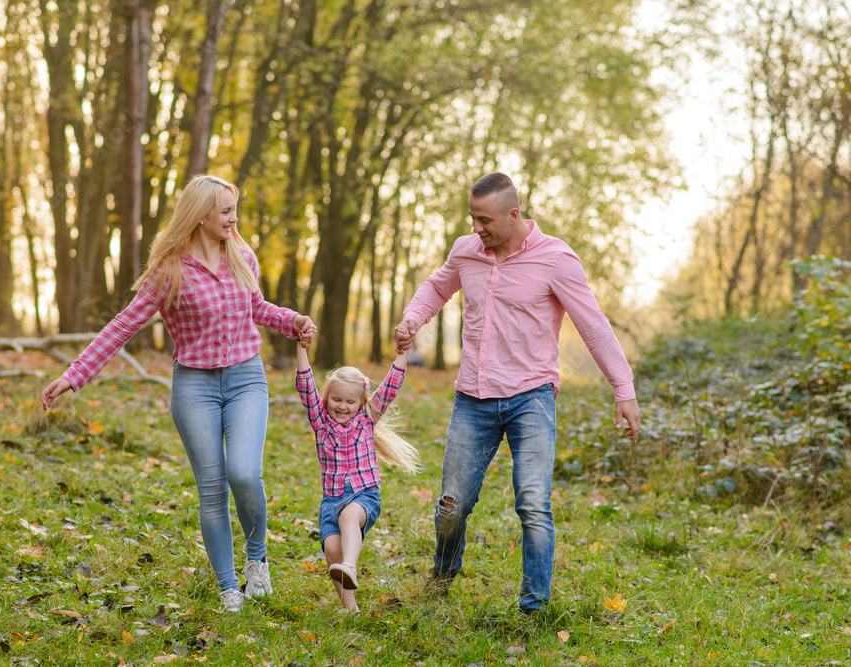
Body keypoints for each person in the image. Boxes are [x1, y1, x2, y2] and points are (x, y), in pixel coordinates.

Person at [41, 174, 316, 612]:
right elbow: (123, 325)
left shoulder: (242, 255)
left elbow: (257, 308)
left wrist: (293, 320)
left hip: (246, 377)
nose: (234, 218)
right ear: (201, 214)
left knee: (245, 473)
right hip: (195, 387)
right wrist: (74, 376)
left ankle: (257, 560)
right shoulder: (169, 270)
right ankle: (228, 586)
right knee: (212, 489)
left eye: (234, 209)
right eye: (226, 210)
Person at [394, 172, 640, 614]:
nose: (476, 228)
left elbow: (593, 324)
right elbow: (436, 287)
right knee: (451, 505)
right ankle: (443, 576)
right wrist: (414, 317)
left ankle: (534, 606)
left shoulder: (556, 259)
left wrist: (623, 388)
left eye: (485, 220)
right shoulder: (466, 251)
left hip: (531, 397)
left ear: (513, 214)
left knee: (533, 503)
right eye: (472, 218)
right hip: (473, 397)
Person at [294, 341, 420, 613]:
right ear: (326, 398)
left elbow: (390, 386)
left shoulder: (367, 420)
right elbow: (305, 386)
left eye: (350, 402)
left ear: (361, 402)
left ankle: (350, 565)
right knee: (331, 549)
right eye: (336, 400)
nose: (342, 406)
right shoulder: (320, 423)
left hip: (364, 496)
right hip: (331, 501)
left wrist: (403, 353)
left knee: (349, 517)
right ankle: (350, 609)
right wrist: (302, 348)